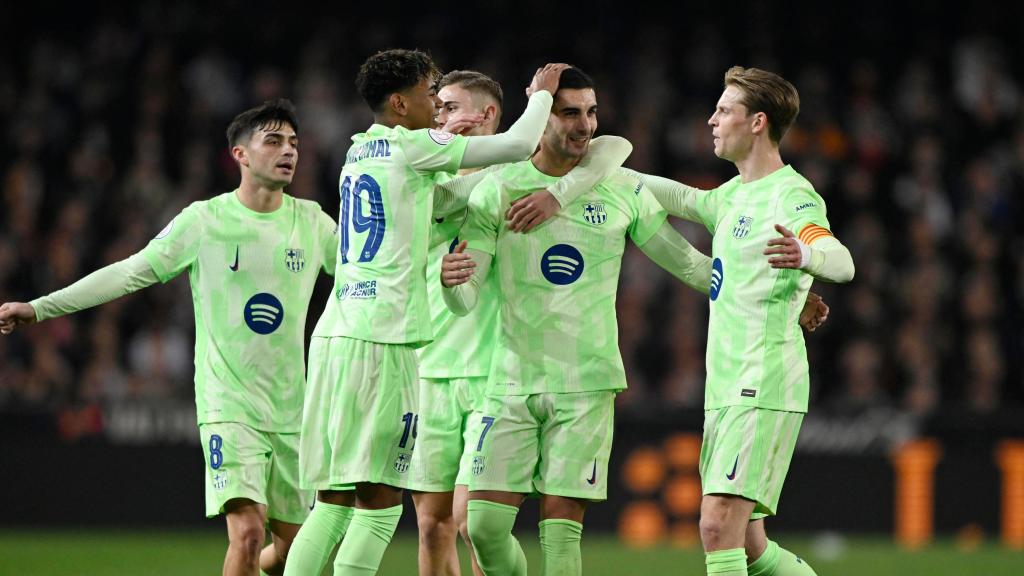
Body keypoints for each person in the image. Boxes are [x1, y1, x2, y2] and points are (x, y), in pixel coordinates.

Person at [0, 99, 337, 576]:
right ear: (240, 155)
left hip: (292, 409)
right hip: (229, 404)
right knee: (246, 533)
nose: (290, 152)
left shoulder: (314, 222)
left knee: (293, 553)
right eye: (274, 141)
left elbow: (372, 273)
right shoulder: (204, 221)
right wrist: (40, 307)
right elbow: (129, 272)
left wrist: (437, 270)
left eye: (294, 143)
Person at [292, 49, 571, 576]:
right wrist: (541, 95)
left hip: (335, 333)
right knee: (378, 504)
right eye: (428, 96)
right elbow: (517, 143)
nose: (436, 109)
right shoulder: (411, 145)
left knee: (331, 503)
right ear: (399, 103)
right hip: (383, 339)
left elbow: (435, 209)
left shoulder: (360, 150)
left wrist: (465, 150)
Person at [440, 66, 716, 576]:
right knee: (480, 527)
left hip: (585, 383)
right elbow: (466, 296)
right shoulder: (498, 189)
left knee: (561, 535)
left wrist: (778, 287)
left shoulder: (619, 189)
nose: (585, 124)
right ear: (541, 117)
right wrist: (452, 281)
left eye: (591, 112)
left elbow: (692, 266)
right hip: (510, 381)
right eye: (570, 112)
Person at [410, 69, 633, 576]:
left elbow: (611, 147)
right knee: (432, 526)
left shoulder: (508, 175)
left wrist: (562, 189)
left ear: (489, 115)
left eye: (451, 107)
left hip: (495, 369)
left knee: (472, 523)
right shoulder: (426, 177)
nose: (441, 117)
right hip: (431, 364)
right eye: (437, 108)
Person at [635, 66, 855, 576]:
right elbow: (678, 197)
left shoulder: (792, 194)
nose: (711, 120)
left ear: (757, 122)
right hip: (727, 384)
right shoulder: (731, 195)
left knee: (716, 526)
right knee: (749, 543)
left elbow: (841, 261)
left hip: (763, 381)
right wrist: (602, 165)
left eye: (723, 110)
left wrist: (806, 255)